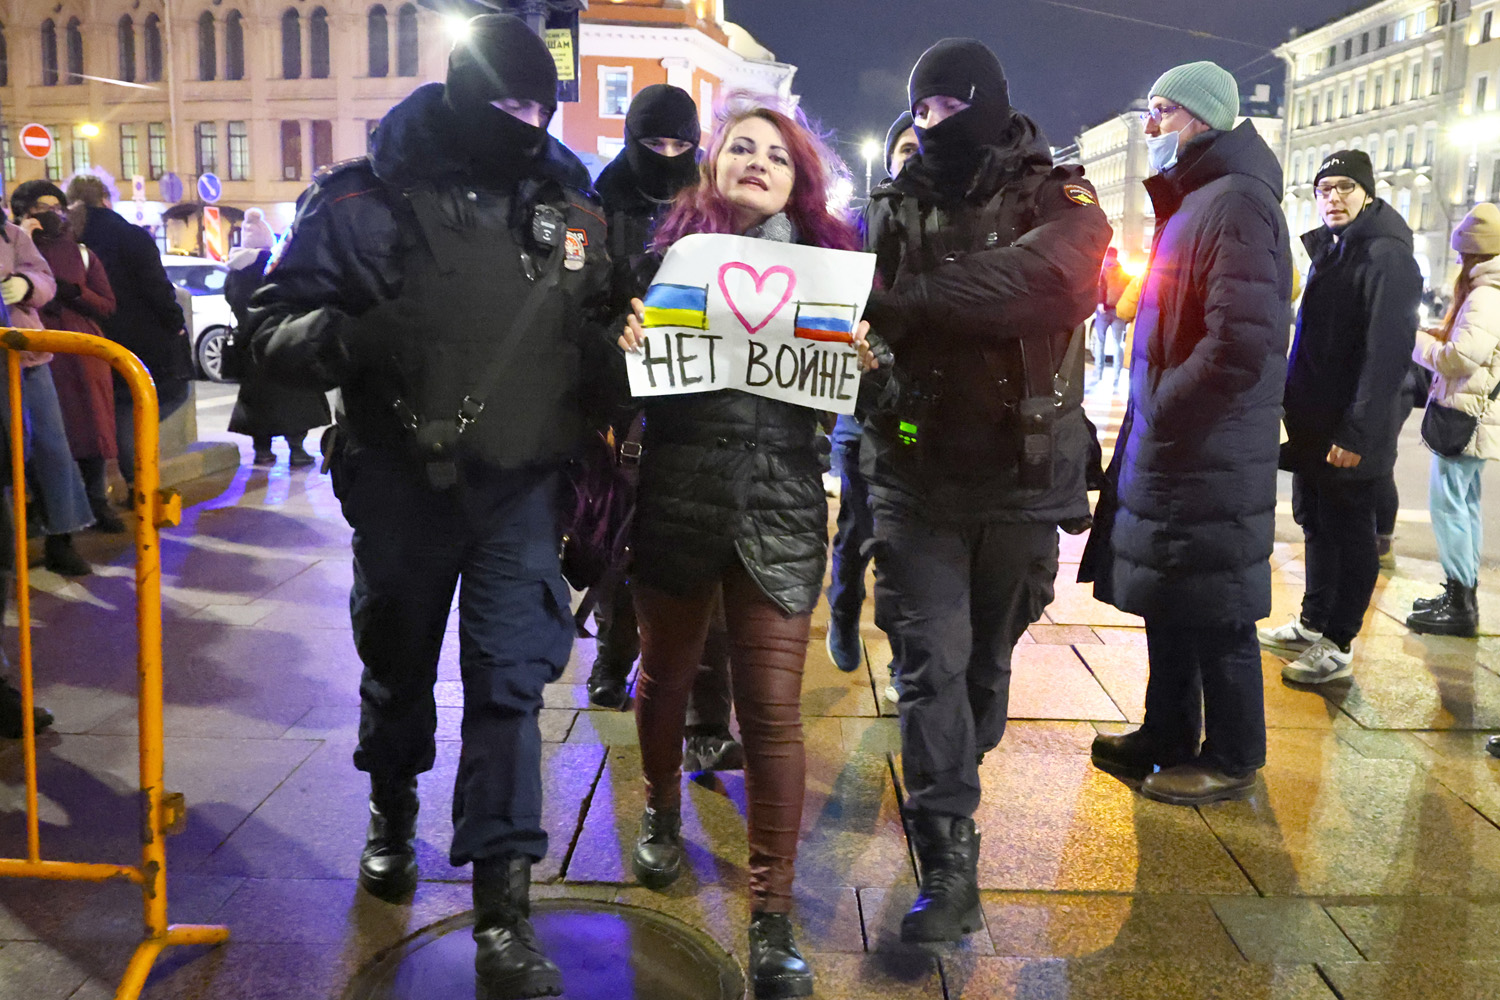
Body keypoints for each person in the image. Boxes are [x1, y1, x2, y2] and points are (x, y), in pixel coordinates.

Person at [247, 16, 612, 998]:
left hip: (522, 493)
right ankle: (392, 810)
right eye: (506, 103)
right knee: (399, 664)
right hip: (403, 484)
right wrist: (351, 340)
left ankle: (503, 909)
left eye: (539, 107)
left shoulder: (569, 200)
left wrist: (617, 360)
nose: (523, 122)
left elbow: (601, 310)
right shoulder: (366, 197)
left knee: (508, 693)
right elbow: (268, 321)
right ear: (461, 93)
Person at [616, 95, 865, 1000]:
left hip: (781, 508)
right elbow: (626, 385)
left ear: (801, 180)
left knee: (772, 714)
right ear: (713, 166)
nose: (758, 162)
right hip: (680, 500)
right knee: (666, 676)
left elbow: (853, 402)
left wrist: (865, 359)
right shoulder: (664, 261)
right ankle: (657, 806)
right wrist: (627, 340)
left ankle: (772, 913)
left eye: (779, 155)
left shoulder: (833, 273)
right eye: (742, 149)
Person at [861, 39, 1108, 944]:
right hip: (915, 474)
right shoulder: (895, 199)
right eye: (918, 112)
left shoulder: (1060, 196)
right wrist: (867, 344)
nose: (931, 128)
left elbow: (1052, 280)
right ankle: (948, 861)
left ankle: (966, 740)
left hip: (1021, 477)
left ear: (988, 104)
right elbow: (857, 306)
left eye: (946, 109)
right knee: (930, 662)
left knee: (983, 668)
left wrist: (916, 300)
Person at [1081, 61, 1291, 807]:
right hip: (1182, 449)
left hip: (1209, 449)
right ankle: (1166, 732)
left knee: (1218, 612)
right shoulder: (1200, 199)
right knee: (1172, 601)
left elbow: (1243, 342)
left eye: (1160, 112)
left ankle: (1233, 755)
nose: (1150, 128)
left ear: (1200, 119)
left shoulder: (1236, 204)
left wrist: (1167, 404)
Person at [1258, 150, 1421, 683]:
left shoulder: (1386, 255)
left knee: (1351, 531)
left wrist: (1358, 430)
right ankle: (1312, 622)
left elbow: (1387, 352)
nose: (1333, 197)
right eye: (1324, 188)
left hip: (1351, 426)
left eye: (1345, 187)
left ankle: (1339, 642)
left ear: (1368, 193)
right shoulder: (1334, 249)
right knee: (1316, 521)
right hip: (1314, 419)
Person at [830, 109, 916, 685]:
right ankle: (841, 606)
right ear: (888, 161)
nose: (916, 158)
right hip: (860, 405)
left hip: (917, 412)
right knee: (857, 527)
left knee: (906, 541)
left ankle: (905, 654)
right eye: (906, 150)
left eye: (924, 148)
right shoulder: (857, 226)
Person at [66, 174, 190, 499]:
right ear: (107, 199)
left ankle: (126, 484)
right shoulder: (129, 235)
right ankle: (140, 482)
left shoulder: (70, 237)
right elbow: (156, 287)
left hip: (91, 337)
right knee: (164, 396)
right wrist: (175, 322)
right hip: (141, 336)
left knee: (118, 404)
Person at [10, 182, 123, 537]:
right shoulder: (15, 241)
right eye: (44, 207)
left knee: (90, 430)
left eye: (59, 207)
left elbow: (107, 303)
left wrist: (75, 292)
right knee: (45, 440)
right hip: (40, 352)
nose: (53, 214)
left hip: (82, 353)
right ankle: (43, 515)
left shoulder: (83, 252)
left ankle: (93, 504)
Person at [1408, 203, 1500, 637]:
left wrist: (1419, 343)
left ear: (1472, 254)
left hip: (1467, 419)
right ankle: (1460, 594)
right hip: (1475, 417)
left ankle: (1459, 602)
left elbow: (1461, 357)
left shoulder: (1487, 293)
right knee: (1464, 504)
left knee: (1449, 507)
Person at [225, 208, 331, 467]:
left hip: (248, 342)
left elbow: (231, 298)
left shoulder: (236, 271)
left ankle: (262, 450)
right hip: (277, 336)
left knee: (256, 401)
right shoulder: (274, 265)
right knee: (293, 394)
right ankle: (296, 448)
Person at [1094, 246, 1129, 385]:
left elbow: (1099, 286)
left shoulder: (1103, 270)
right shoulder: (1124, 273)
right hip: (1118, 312)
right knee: (1118, 344)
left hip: (1104, 311)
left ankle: (1099, 373)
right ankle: (1116, 376)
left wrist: (1100, 302)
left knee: (1100, 342)